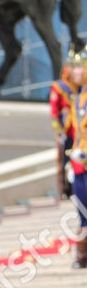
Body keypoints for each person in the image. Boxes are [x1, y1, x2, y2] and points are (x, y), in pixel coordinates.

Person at [54, 52, 87, 269]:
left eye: (78, 67)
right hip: (79, 163)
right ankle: (83, 254)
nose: (73, 71)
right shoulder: (77, 97)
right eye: (73, 67)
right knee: (82, 210)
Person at [48, 50, 85, 203]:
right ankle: (63, 190)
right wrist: (58, 132)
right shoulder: (59, 87)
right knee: (63, 161)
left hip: (78, 132)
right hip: (66, 131)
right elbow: (54, 112)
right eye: (71, 67)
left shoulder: (80, 87)